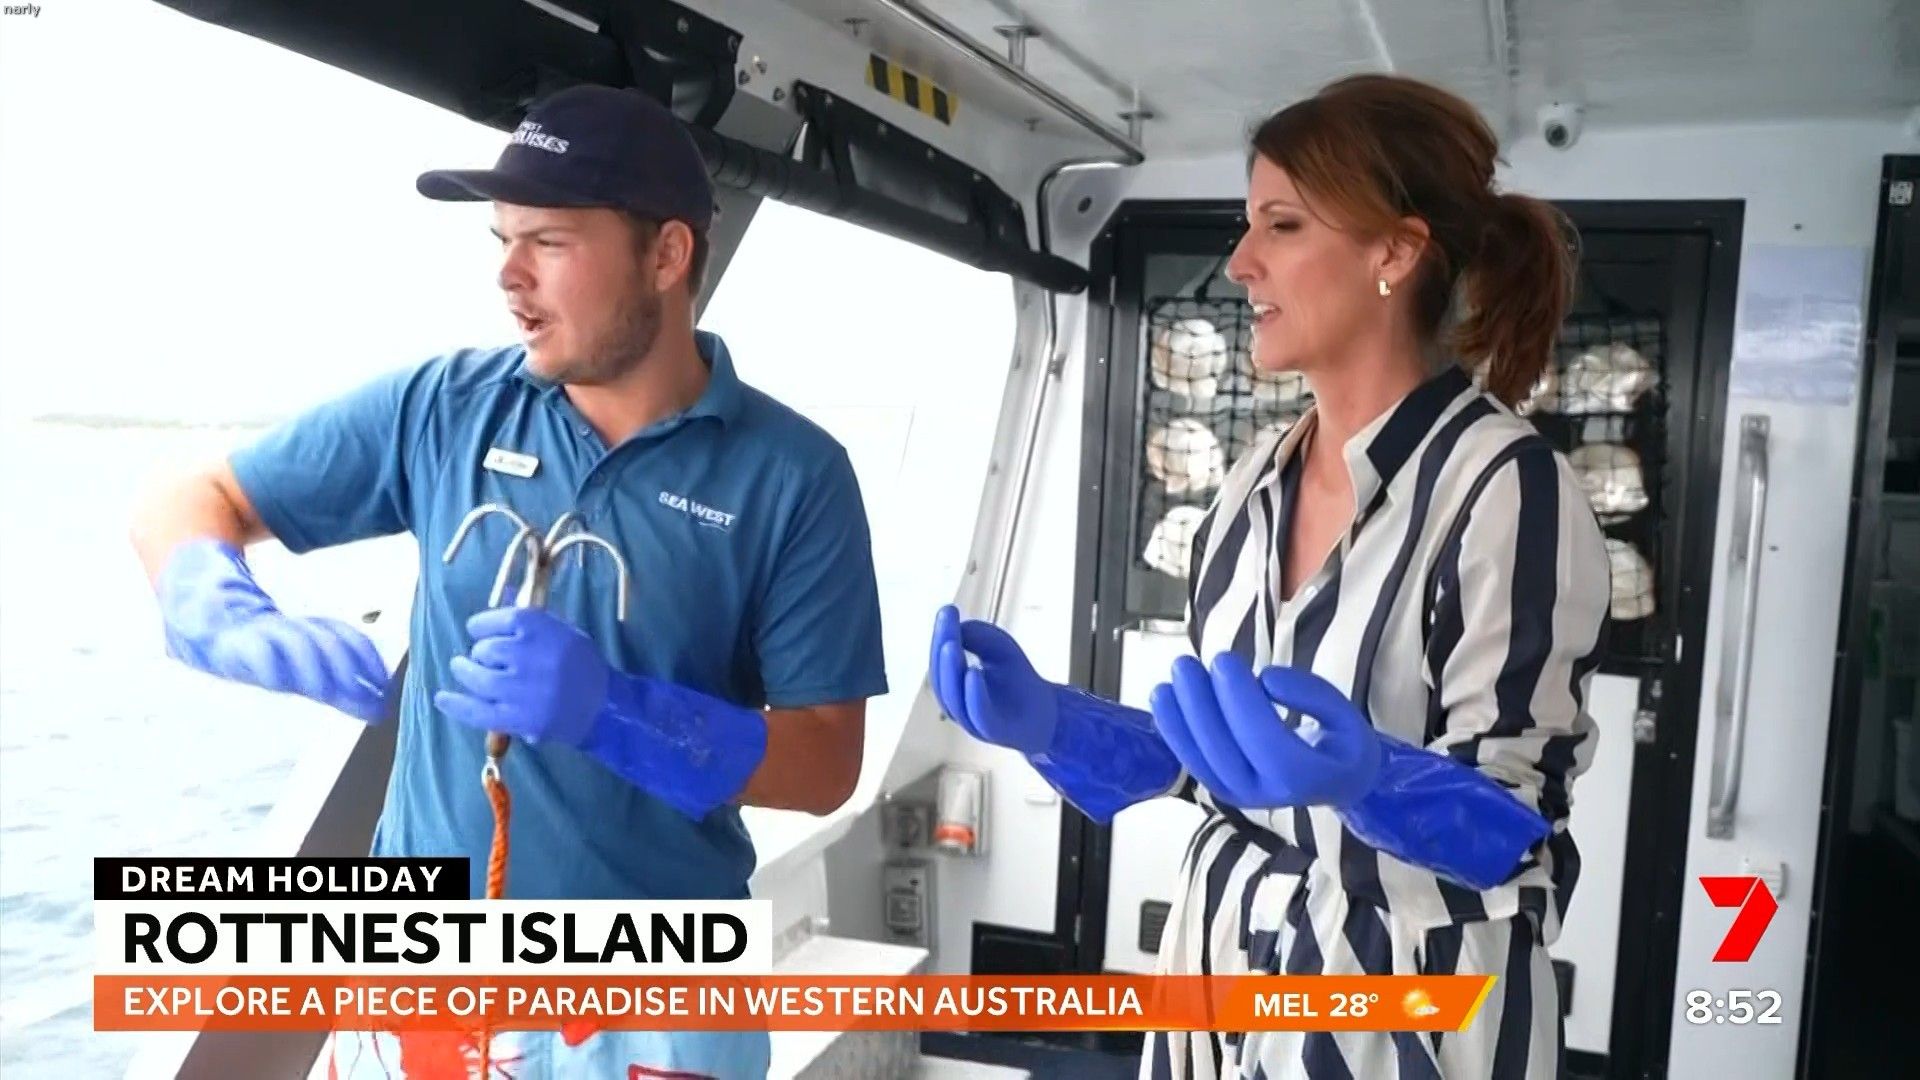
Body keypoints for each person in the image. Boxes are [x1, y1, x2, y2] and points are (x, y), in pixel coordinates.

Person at [130, 82, 888, 1079]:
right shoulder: (446, 408)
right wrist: (212, 601)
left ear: (667, 254)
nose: (509, 277)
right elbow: (199, 496)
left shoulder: (795, 476)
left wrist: (619, 713)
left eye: (549, 243)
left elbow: (827, 762)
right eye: (502, 241)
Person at [930, 73, 1610, 1079]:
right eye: (1249, 226)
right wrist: (1057, 727)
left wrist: (1372, 783)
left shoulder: (1504, 488)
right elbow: (1220, 776)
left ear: (1395, 252)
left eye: (1281, 226)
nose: (1240, 263)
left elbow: (1518, 835)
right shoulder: (1253, 480)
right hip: (1216, 985)